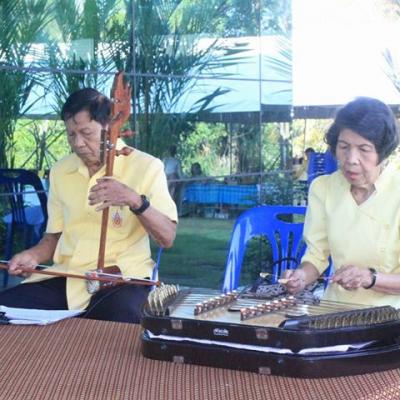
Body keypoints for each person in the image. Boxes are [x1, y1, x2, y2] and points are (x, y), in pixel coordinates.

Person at [0, 87, 177, 323]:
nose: (78, 143)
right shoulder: (61, 171)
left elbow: (167, 237)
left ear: (110, 126)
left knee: (120, 322)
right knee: (5, 310)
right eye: (71, 135)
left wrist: (135, 200)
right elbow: (53, 238)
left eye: (86, 133)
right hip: (68, 277)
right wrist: (32, 255)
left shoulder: (146, 167)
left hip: (123, 279)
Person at [284, 97, 400, 307]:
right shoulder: (324, 188)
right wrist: (301, 276)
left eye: (364, 149)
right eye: (344, 146)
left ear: (383, 152)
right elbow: (316, 256)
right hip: (335, 311)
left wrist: (370, 278)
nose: (351, 159)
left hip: (391, 315)